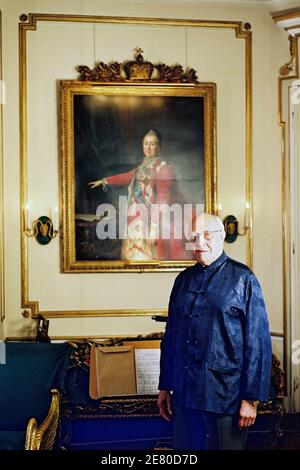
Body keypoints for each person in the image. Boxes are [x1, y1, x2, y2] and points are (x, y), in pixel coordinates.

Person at [157, 212, 272, 450]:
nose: (199, 243)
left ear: (221, 237)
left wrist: (251, 399)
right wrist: (164, 385)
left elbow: (258, 342)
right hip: (184, 394)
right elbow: (171, 338)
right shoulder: (182, 280)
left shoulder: (244, 278)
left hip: (226, 397)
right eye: (194, 236)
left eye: (207, 235)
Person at [88, 129, 189, 261]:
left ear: (159, 147)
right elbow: (126, 177)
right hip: (136, 216)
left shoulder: (164, 169)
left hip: (153, 218)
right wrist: (105, 181)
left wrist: (154, 227)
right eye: (145, 143)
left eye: (152, 144)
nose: (148, 147)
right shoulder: (142, 167)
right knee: (132, 252)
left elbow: (162, 200)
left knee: (150, 254)